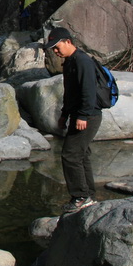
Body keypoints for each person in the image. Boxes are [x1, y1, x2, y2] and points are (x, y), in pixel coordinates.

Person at [46, 26, 101, 214]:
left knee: (70, 155)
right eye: (52, 48)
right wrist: (64, 114)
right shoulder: (70, 62)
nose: (55, 51)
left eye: (56, 46)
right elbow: (70, 93)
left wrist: (83, 115)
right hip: (79, 114)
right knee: (81, 154)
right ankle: (88, 194)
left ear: (68, 42)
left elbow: (88, 91)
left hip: (88, 115)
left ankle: (80, 197)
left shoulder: (83, 61)